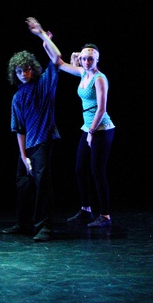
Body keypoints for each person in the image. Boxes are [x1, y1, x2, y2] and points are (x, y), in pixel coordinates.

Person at [41, 40, 116, 228]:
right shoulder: (83, 73)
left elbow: (102, 109)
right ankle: (86, 210)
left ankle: (105, 216)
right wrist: (45, 41)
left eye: (90, 59)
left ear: (97, 59)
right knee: (80, 169)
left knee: (97, 171)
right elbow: (58, 62)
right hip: (88, 127)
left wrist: (91, 132)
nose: (86, 62)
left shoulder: (99, 78)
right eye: (84, 59)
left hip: (101, 129)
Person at [3, 17, 62, 242]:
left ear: (32, 69)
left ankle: (44, 227)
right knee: (23, 183)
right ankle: (23, 223)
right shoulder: (17, 97)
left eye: (26, 69)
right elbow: (19, 128)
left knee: (42, 183)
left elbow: (56, 58)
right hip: (27, 145)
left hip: (44, 140)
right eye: (19, 71)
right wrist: (23, 155)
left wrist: (41, 34)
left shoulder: (44, 83)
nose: (23, 74)